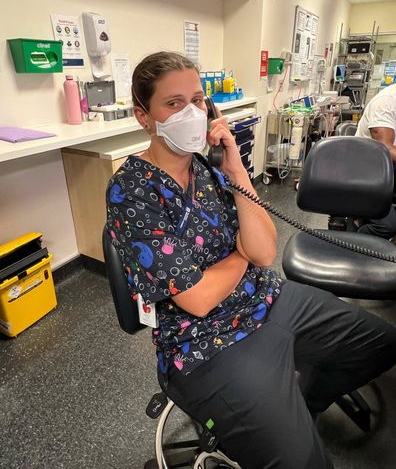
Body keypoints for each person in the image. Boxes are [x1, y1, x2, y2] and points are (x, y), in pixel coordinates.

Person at [106, 51, 396, 469]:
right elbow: (199, 299)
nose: (192, 112)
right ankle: (277, 424)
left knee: (380, 344)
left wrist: (236, 167)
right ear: (143, 116)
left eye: (198, 100)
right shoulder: (131, 191)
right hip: (204, 342)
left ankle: (297, 407)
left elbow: (263, 250)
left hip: (266, 300)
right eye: (173, 104)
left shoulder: (208, 170)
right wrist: (242, 253)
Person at [355, 83, 396, 238]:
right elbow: (384, 148)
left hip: (390, 172)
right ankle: (351, 248)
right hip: (367, 174)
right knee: (386, 226)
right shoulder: (387, 101)